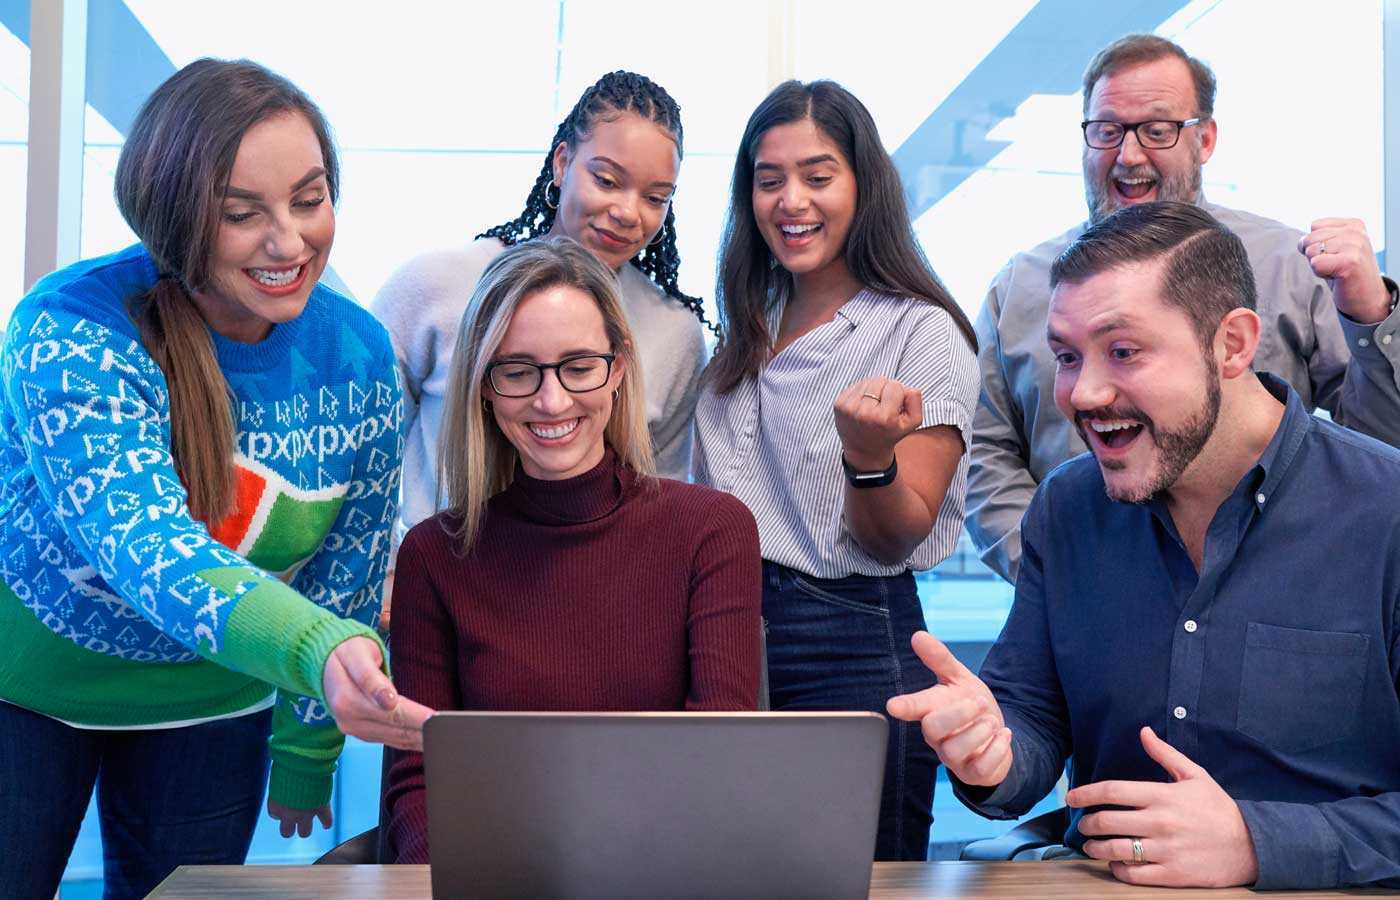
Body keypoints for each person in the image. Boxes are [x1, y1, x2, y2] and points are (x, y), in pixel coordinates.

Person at [0, 59, 430, 899]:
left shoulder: (358, 352)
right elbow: (145, 543)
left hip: (212, 711)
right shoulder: (67, 328)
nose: (290, 241)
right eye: (241, 214)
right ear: (173, 218)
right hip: (27, 698)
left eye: (309, 199)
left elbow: (348, 565)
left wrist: (309, 742)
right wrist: (314, 652)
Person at [890, 201, 1400, 890]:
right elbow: (1031, 717)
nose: (1083, 393)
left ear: (1233, 345)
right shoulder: (1068, 507)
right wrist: (993, 753)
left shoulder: (1383, 510)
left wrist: (1259, 844)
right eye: (1067, 357)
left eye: (1124, 352)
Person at [967, 33, 1400, 583]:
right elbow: (983, 450)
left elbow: (1375, 450)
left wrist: (1372, 317)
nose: (1128, 155)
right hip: (1084, 607)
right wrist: (1052, 569)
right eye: (1107, 131)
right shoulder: (1020, 286)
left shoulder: (1289, 268)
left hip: (1269, 591)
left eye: (1157, 130)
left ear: (1206, 138)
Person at [383, 237, 761, 864]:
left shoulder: (710, 531)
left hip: (661, 874)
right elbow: (417, 786)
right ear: (482, 385)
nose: (551, 401)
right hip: (492, 877)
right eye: (517, 370)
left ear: (618, 367)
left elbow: (714, 759)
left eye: (578, 366)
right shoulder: (434, 556)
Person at [694, 80, 980, 861]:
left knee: (857, 876)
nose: (792, 200)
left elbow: (896, 537)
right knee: (726, 871)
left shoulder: (922, 334)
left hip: (850, 636)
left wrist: (867, 458)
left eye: (818, 176)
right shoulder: (745, 325)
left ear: (863, 186)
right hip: (726, 628)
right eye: (768, 178)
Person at [372, 71, 709, 565]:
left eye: (655, 197)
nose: (627, 211)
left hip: (583, 598)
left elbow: (655, 503)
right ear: (562, 162)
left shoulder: (674, 332)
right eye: (607, 180)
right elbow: (361, 455)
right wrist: (385, 572)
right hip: (435, 585)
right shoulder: (435, 286)